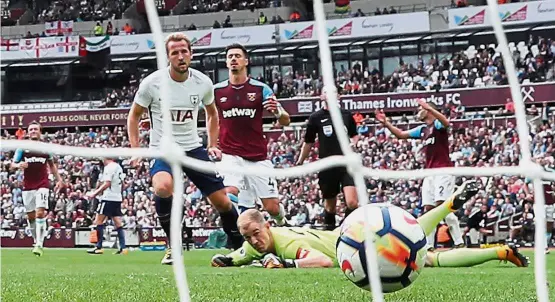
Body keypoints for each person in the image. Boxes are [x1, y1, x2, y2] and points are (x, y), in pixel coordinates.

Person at [211, 181, 528, 269]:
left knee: (427, 257)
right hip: (351, 231)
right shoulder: (259, 240)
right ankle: (496, 248)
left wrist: (285, 263)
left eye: (255, 234)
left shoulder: (286, 244)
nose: (254, 241)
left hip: (353, 243)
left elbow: (319, 261)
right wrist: (227, 259)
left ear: (267, 225)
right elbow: (241, 255)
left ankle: (498, 251)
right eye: (248, 238)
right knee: (417, 242)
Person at [127, 33, 243, 265]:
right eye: (175, 53)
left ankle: (241, 247)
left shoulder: (203, 82)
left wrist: (212, 144)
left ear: (191, 54)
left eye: (184, 52)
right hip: (163, 148)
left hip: (192, 148)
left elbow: (212, 113)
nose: (180, 56)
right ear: (167, 57)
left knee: (222, 202)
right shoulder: (152, 83)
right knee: (162, 187)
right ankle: (173, 246)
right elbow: (134, 116)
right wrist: (136, 149)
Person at [213, 43, 290, 224]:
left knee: (272, 207)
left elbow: (286, 119)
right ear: (226, 62)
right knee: (229, 196)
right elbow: (198, 111)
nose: (233, 59)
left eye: (237, 56)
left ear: (246, 61)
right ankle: (236, 240)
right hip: (230, 155)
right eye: (230, 56)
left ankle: (282, 221)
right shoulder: (216, 91)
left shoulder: (260, 89)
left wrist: (277, 112)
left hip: (257, 156)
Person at [375, 99, 465, 249]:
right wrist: (387, 124)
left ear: (428, 110)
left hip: (443, 171)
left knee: (442, 207)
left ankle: (459, 241)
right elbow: (401, 135)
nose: (417, 112)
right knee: (429, 209)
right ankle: (429, 245)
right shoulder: (423, 130)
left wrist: (430, 107)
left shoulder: (436, 126)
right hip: (429, 173)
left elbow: (446, 122)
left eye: (420, 109)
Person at [296, 87, 359, 230]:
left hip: (346, 163)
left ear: (339, 96)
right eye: (326, 91)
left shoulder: (346, 114)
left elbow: (355, 134)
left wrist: (353, 143)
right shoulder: (316, 117)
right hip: (327, 165)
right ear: (321, 96)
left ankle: (345, 229)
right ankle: (330, 232)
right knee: (330, 207)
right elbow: (309, 141)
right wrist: (300, 160)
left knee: (352, 203)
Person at [10, 121, 65, 257]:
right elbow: (12, 164)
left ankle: (39, 244)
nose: (33, 131)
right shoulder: (22, 148)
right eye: (31, 129)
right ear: (28, 132)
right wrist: (18, 166)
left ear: (40, 131)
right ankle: (36, 240)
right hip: (28, 186)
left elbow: (51, 165)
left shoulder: (45, 148)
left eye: (36, 129)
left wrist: (59, 180)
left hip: (42, 184)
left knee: (40, 213)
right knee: (31, 217)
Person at [85, 157, 127, 255]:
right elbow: (123, 184)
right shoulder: (118, 167)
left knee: (98, 221)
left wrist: (94, 193)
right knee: (118, 223)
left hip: (108, 197)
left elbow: (107, 183)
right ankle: (123, 247)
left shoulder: (109, 167)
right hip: (117, 198)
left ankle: (98, 247)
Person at [523, 157, 554, 254]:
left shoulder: (550, 171)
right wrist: (527, 194)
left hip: (550, 202)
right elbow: (525, 184)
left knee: (549, 224)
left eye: (542, 158)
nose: (541, 160)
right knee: (541, 223)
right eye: (538, 158)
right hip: (539, 202)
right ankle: (543, 246)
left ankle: (546, 243)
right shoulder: (533, 173)